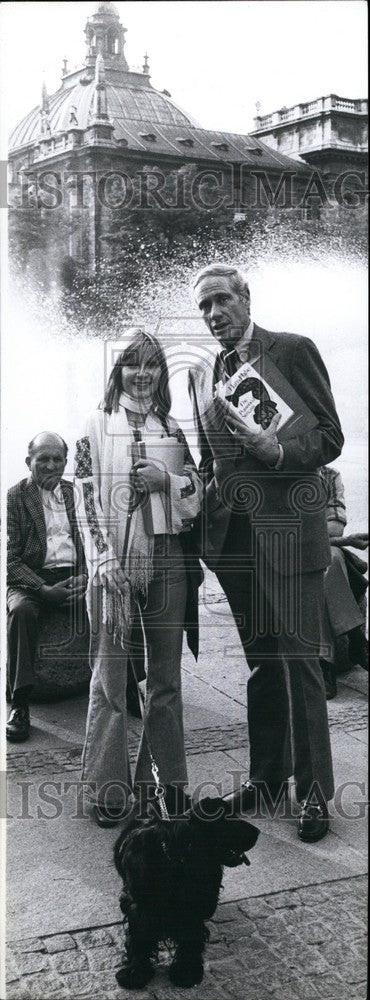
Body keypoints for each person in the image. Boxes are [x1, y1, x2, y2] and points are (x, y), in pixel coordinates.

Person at [189, 263, 344, 842]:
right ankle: (267, 777)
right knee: (261, 665)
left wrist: (278, 451)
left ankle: (312, 794)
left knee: (302, 664)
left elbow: (330, 436)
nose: (214, 314)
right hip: (233, 543)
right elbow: (210, 459)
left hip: (288, 534)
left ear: (246, 297)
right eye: (204, 306)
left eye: (222, 300)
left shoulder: (294, 349)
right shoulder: (201, 374)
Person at [74, 329, 202, 827]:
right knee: (110, 677)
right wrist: (103, 559)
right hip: (115, 564)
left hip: (167, 559)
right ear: (119, 371)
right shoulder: (93, 425)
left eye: (152, 365)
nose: (142, 374)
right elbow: (83, 495)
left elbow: (195, 490)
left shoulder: (171, 426)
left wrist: (165, 481)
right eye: (133, 364)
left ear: (160, 373)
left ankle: (162, 787)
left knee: (166, 681)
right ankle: (107, 790)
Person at [6, 432, 87, 741]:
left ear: (66, 462)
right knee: (21, 612)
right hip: (31, 578)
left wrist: (86, 577)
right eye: (43, 459)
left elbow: (95, 544)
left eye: (58, 459)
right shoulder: (15, 497)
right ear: (29, 462)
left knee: (117, 598)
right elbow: (9, 559)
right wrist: (43, 589)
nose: (51, 465)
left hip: (74, 575)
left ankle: (129, 687)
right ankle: (20, 703)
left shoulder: (77, 493)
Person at [319, 465, 368, 699]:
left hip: (320, 553)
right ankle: (358, 641)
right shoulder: (277, 472)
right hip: (283, 553)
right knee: (325, 557)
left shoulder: (329, 475)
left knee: (329, 559)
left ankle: (324, 662)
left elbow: (335, 527)